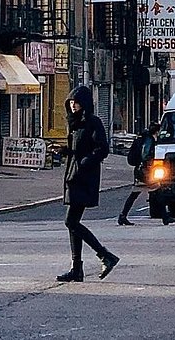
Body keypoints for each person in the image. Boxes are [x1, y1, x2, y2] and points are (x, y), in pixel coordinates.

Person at [57, 85, 119, 283]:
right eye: (71, 102)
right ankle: (77, 268)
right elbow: (75, 148)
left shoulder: (93, 122)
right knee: (72, 224)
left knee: (71, 221)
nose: (73, 105)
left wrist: (85, 162)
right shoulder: (73, 124)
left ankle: (105, 255)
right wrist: (64, 151)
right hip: (73, 177)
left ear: (84, 103)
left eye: (76, 102)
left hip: (84, 178)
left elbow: (102, 149)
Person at [117, 123, 175, 226]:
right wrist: (149, 162)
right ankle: (165, 218)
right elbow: (145, 155)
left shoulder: (144, 137)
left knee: (135, 194)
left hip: (140, 171)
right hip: (145, 172)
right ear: (157, 131)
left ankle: (123, 216)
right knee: (158, 191)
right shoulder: (149, 140)